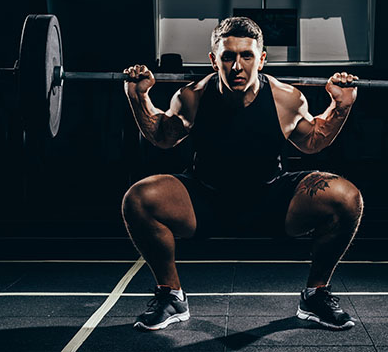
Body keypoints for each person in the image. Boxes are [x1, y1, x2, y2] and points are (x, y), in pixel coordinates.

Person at [122, 17, 363, 331]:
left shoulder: (285, 99)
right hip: (205, 199)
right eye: (228, 56)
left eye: (246, 55)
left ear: (261, 59)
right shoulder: (192, 97)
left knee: (346, 198)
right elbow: (163, 137)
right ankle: (171, 296)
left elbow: (313, 141)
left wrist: (340, 107)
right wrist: (137, 97)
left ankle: (316, 295)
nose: (237, 66)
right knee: (138, 198)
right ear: (213, 60)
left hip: (270, 199)